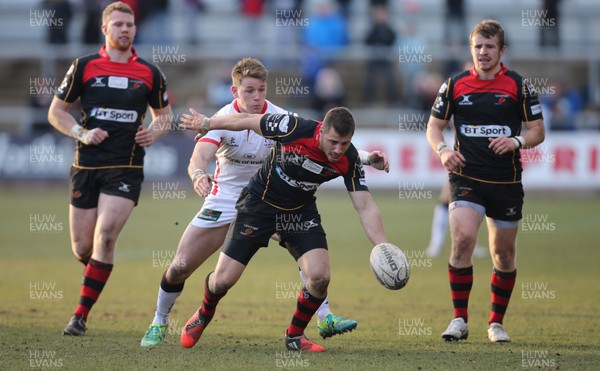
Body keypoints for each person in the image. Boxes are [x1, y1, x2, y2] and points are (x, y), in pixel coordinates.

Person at [140, 58, 389, 347]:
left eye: (261, 90)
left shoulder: (282, 118)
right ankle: (159, 320)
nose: (257, 97)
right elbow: (200, 156)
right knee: (183, 266)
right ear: (235, 92)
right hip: (227, 197)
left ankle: (322, 316)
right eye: (249, 91)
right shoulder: (223, 119)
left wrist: (367, 157)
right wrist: (197, 174)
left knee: (312, 261)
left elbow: (329, 144)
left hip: (273, 196)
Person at [178, 106, 389, 352]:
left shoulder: (349, 159)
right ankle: (204, 312)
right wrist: (208, 122)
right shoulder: (293, 127)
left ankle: (295, 336)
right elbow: (247, 119)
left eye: (345, 143)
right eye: (333, 142)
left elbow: (365, 206)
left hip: (300, 212)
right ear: (321, 131)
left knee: (320, 277)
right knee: (223, 281)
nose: (338, 150)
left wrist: (382, 245)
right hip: (259, 205)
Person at [47, 1, 173, 336]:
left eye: (129, 24)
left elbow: (165, 116)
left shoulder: (150, 72)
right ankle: (95, 275)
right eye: (117, 24)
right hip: (86, 165)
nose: (125, 29)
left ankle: (79, 316)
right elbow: (56, 112)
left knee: (105, 238)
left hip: (127, 167)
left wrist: (155, 131)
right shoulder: (84, 66)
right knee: (83, 248)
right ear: (105, 29)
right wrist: (82, 133)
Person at [426, 19, 545, 342]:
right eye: (478, 46)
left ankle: (495, 323)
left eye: (489, 46)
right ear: (471, 49)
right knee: (463, 239)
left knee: (502, 254)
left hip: (505, 182)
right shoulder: (454, 84)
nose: (483, 52)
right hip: (466, 177)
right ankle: (459, 320)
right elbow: (434, 126)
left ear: (501, 50)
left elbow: (537, 130)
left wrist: (517, 141)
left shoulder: (519, 86)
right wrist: (442, 151)